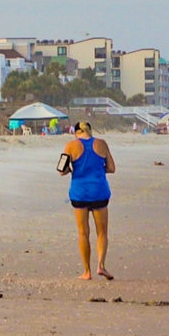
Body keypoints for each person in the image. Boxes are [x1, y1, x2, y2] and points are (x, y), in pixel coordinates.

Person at [59, 120, 116, 280]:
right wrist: (97, 170)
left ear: (76, 132)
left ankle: (86, 271)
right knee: (102, 232)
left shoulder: (70, 145)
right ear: (90, 131)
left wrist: (73, 169)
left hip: (79, 193)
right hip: (99, 191)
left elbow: (61, 170)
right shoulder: (102, 144)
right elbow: (111, 168)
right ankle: (101, 266)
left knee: (83, 233)